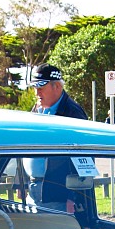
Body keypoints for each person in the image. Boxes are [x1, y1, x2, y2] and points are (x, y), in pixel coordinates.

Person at [29, 63, 87, 209]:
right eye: (35, 89)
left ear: (57, 87)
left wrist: (73, 196)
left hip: (59, 195)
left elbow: (84, 158)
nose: (37, 93)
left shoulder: (73, 114)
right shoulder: (37, 108)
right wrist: (20, 182)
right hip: (35, 188)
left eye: (41, 88)